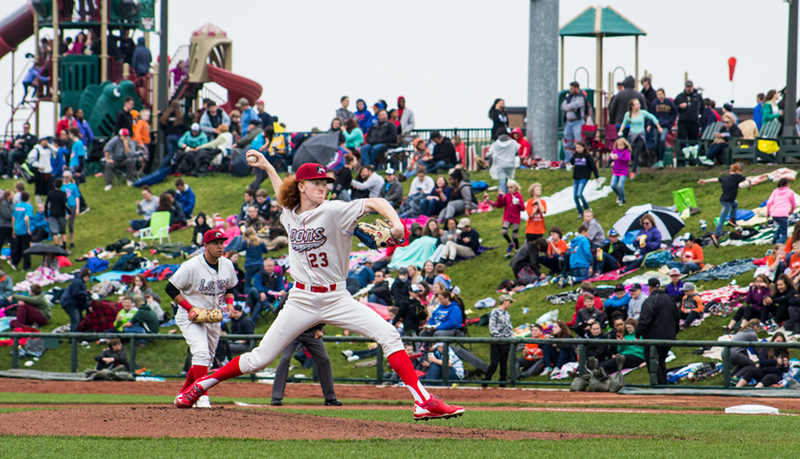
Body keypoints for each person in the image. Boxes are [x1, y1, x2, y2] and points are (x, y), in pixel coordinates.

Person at [176, 157, 464, 419]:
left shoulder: (334, 210)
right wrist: (268, 167)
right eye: (316, 183)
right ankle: (203, 383)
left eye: (326, 183)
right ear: (301, 186)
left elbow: (376, 202)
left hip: (337, 297)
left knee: (389, 334)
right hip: (300, 298)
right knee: (259, 358)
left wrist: (397, 225)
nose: (323, 187)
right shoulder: (290, 213)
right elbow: (281, 194)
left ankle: (422, 401)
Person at [168, 228, 238, 408]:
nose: (220, 246)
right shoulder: (191, 266)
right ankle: (202, 397)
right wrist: (189, 308)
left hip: (212, 317)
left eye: (222, 243)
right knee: (200, 352)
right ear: (205, 245)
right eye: (215, 243)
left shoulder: (227, 265)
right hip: (190, 316)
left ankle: (184, 395)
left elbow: (230, 287)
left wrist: (229, 303)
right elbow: (170, 288)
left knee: (204, 359)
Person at [270, 300, 340, 406]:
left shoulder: (315, 292)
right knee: (285, 359)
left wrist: (319, 328)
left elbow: (322, 311)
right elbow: (278, 309)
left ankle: (330, 398)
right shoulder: (293, 292)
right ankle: (276, 397)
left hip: (311, 332)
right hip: (292, 332)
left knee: (324, 360)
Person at [635, 278, 680, 385]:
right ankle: (664, 382)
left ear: (650, 288)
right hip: (669, 336)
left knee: (653, 361)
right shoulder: (670, 299)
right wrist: (674, 332)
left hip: (653, 338)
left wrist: (637, 335)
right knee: (661, 360)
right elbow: (677, 318)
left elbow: (644, 319)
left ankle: (659, 384)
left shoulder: (650, 300)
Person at [697, 163, 750, 246]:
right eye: (739, 172)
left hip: (723, 199)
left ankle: (732, 219)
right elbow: (748, 179)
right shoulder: (737, 176)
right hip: (727, 201)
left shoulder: (725, 178)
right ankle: (716, 235)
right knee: (722, 218)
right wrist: (750, 184)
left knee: (735, 204)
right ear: (737, 171)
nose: (740, 174)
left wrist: (705, 180)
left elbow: (715, 179)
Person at [618, 99, 662, 176]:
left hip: (640, 135)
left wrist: (659, 127)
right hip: (632, 135)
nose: (639, 105)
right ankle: (636, 166)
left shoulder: (642, 113)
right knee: (631, 153)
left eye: (639, 104)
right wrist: (620, 131)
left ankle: (633, 171)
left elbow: (652, 117)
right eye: (637, 104)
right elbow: (624, 123)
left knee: (636, 153)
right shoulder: (628, 114)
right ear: (632, 106)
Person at [483, 294, 514, 388]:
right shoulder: (495, 312)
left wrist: (509, 336)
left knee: (504, 363)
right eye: (509, 302)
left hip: (506, 341)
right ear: (504, 302)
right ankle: (486, 381)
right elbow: (492, 327)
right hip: (496, 342)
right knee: (494, 363)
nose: (510, 304)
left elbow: (509, 327)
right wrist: (499, 337)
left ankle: (503, 383)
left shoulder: (507, 313)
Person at [487, 180, 525, 254]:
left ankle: (517, 249)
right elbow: (499, 205)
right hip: (507, 218)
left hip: (516, 218)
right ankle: (510, 243)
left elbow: (523, 208)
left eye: (511, 187)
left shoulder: (519, 196)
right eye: (508, 187)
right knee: (504, 232)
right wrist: (500, 196)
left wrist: (518, 203)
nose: (509, 189)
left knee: (514, 236)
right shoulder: (507, 196)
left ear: (515, 187)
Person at [569, 141, 600, 218]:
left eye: (579, 147)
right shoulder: (575, 155)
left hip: (584, 177)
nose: (578, 149)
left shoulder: (587, 156)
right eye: (576, 148)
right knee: (575, 196)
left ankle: (587, 209)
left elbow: (593, 166)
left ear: (583, 148)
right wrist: (572, 157)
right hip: (576, 177)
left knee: (579, 194)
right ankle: (580, 212)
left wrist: (596, 176)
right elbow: (572, 162)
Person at [674, 80, 705, 153]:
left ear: (693, 87)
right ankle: (681, 160)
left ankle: (693, 161)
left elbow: (702, 109)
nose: (689, 88)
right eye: (687, 87)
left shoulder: (698, 97)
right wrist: (679, 107)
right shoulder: (680, 97)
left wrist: (701, 121)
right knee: (682, 141)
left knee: (693, 142)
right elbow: (674, 108)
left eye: (690, 87)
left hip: (694, 123)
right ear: (685, 87)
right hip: (683, 123)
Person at [561, 82, 587, 161]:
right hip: (568, 123)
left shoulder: (581, 97)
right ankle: (568, 161)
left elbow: (577, 105)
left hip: (578, 122)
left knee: (578, 142)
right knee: (568, 142)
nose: (570, 90)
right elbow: (562, 107)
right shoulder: (569, 97)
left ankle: (578, 159)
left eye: (572, 89)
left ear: (577, 88)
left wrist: (568, 107)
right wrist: (569, 107)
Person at [766, 178, 795, 244]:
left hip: (774, 214)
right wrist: (791, 211)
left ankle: (775, 237)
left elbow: (769, 202)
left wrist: (768, 213)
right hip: (783, 214)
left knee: (781, 225)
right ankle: (778, 247)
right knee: (784, 234)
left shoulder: (775, 191)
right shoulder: (790, 192)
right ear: (787, 184)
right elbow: (793, 204)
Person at [11, 191, 33, 270]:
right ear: (29, 198)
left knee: (18, 246)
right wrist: (28, 229)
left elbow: (13, 218)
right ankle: (26, 266)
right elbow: (26, 218)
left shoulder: (17, 206)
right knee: (26, 248)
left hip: (17, 228)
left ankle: (14, 262)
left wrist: (13, 229)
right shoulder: (29, 206)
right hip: (24, 229)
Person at [45, 178, 69, 248]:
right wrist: (69, 211)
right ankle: (63, 246)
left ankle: (56, 246)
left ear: (54, 184)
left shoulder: (50, 193)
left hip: (53, 213)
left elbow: (46, 204)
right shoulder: (63, 194)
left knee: (54, 231)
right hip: (61, 213)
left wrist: (46, 214)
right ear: (61, 185)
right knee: (62, 231)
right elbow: (64, 204)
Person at [608, 138, 631, 205]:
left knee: (620, 186)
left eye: (621, 145)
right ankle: (619, 195)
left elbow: (627, 158)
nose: (619, 147)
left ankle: (623, 200)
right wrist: (611, 156)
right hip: (615, 171)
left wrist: (618, 158)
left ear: (624, 145)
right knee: (612, 185)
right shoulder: (615, 151)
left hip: (623, 171)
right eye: (618, 145)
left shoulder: (626, 151)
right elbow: (610, 159)